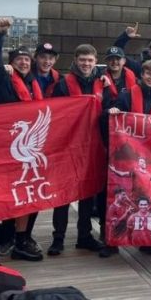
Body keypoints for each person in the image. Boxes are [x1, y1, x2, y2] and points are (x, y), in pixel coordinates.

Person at [0, 18, 43, 263]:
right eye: (19, 60)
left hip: (24, 151)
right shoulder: (1, 76)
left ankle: (20, 240)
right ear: (11, 63)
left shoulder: (34, 84)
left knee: (25, 193)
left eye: (27, 60)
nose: (24, 63)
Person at [47, 44, 106, 256]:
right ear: (76, 60)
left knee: (87, 194)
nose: (86, 64)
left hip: (92, 145)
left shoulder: (102, 83)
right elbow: (56, 114)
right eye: (83, 60)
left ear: (95, 61)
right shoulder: (64, 85)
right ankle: (58, 238)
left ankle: (84, 236)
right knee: (63, 195)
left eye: (90, 60)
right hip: (69, 145)